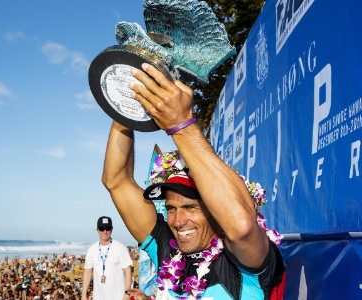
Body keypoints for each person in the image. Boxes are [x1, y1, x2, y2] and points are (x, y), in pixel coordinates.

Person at [101, 63, 286, 299]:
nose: (178, 221)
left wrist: (181, 125)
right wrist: (127, 99)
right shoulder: (167, 247)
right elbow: (116, 181)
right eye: (170, 208)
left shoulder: (243, 259)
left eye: (190, 207)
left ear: (216, 208)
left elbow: (242, 227)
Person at [81, 216, 133, 300]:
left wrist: (127, 293)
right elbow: (87, 272)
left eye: (108, 228)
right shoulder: (92, 249)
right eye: (102, 229)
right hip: (99, 297)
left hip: (118, 296)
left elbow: (128, 271)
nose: (105, 232)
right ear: (97, 230)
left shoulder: (120, 247)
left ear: (111, 229)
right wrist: (83, 295)